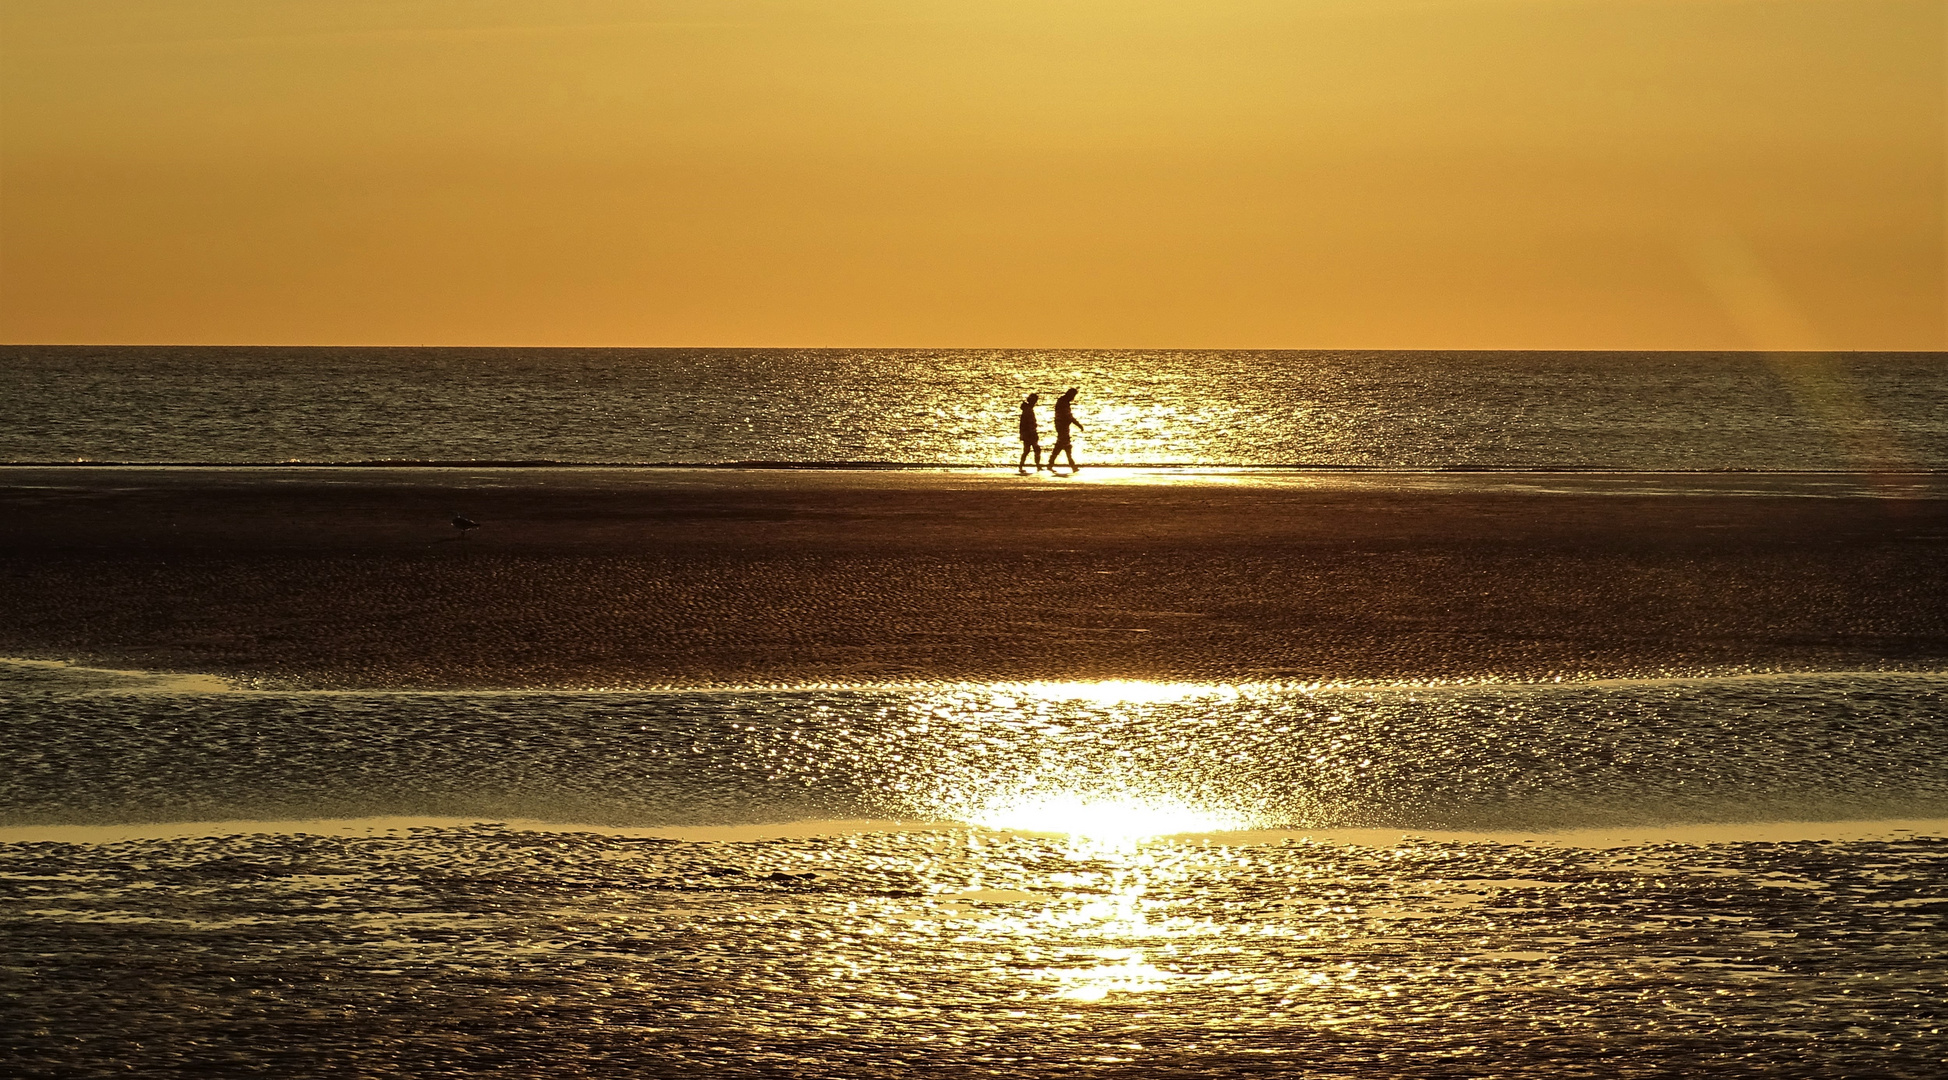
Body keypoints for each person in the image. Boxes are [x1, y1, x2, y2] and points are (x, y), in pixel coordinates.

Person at [1047, 387, 1083, 472]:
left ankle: (1051, 463)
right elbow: (1068, 416)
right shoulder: (1064, 402)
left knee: (1060, 445)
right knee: (1065, 445)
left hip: (1061, 426)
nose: (1073, 398)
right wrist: (1078, 424)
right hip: (1062, 426)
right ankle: (1072, 465)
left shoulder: (1062, 401)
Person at [1017, 392, 1043, 474]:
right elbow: (1027, 423)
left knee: (1028, 450)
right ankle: (1037, 466)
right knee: (1035, 449)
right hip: (1030, 434)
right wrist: (1032, 432)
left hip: (1028, 433)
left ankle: (1022, 466)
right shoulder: (1028, 411)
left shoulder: (1027, 409)